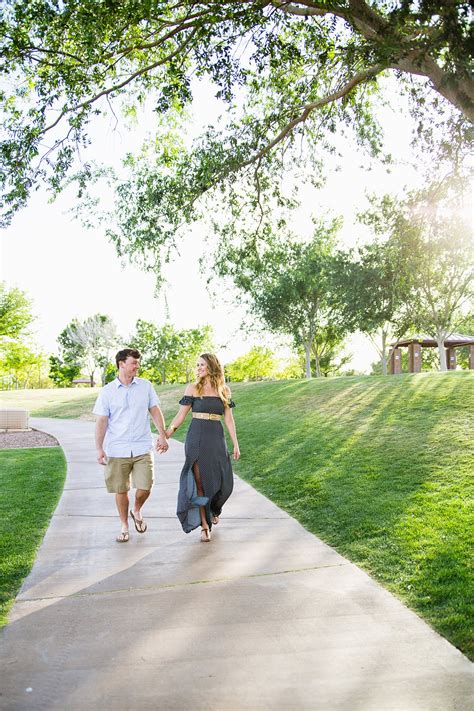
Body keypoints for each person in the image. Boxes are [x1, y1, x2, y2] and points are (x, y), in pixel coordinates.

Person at [93, 348, 168, 543]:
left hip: (143, 446)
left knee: (145, 487)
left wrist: (162, 435)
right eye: (134, 363)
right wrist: (99, 448)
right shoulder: (107, 391)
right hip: (117, 448)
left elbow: (155, 410)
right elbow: (102, 421)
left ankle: (136, 509)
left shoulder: (145, 386)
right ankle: (124, 526)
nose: (137, 366)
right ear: (121, 364)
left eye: (137, 362)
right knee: (121, 489)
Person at [165, 353, 240, 542]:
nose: (198, 368)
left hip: (216, 436)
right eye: (197, 365)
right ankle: (204, 525)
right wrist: (167, 434)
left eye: (202, 365)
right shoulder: (193, 388)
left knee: (224, 482)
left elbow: (229, 420)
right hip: (196, 436)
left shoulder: (224, 390)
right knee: (199, 482)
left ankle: (214, 508)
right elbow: (181, 415)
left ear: (212, 366)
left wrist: (235, 444)